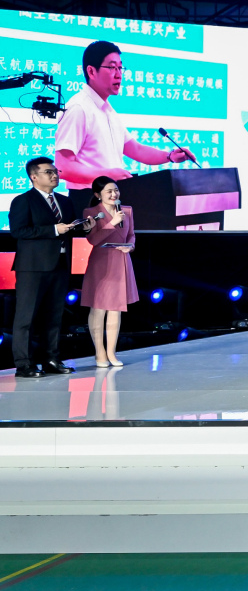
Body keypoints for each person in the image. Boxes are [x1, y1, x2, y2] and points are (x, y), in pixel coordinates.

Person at [54, 40, 196, 194]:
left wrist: (170, 156)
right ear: (91, 72)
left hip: (110, 196)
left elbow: (136, 149)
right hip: (88, 198)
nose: (118, 74)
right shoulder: (78, 108)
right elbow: (63, 167)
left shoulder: (107, 110)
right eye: (112, 67)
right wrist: (106, 176)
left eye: (120, 68)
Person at [7, 157, 88, 377]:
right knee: (26, 317)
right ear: (34, 176)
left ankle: (51, 359)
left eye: (55, 171)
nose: (54, 175)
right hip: (32, 267)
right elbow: (19, 231)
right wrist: (53, 230)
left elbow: (69, 228)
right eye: (48, 172)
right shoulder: (23, 200)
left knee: (54, 315)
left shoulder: (64, 201)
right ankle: (24, 364)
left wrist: (84, 227)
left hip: (60, 264)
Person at [81, 176, 137, 368]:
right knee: (98, 308)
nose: (114, 194)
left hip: (121, 260)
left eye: (116, 190)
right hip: (101, 263)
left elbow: (131, 235)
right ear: (98, 195)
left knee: (116, 309)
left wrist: (130, 246)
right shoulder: (91, 212)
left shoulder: (127, 210)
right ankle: (100, 352)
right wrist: (113, 222)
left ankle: (112, 352)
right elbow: (93, 240)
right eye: (109, 191)